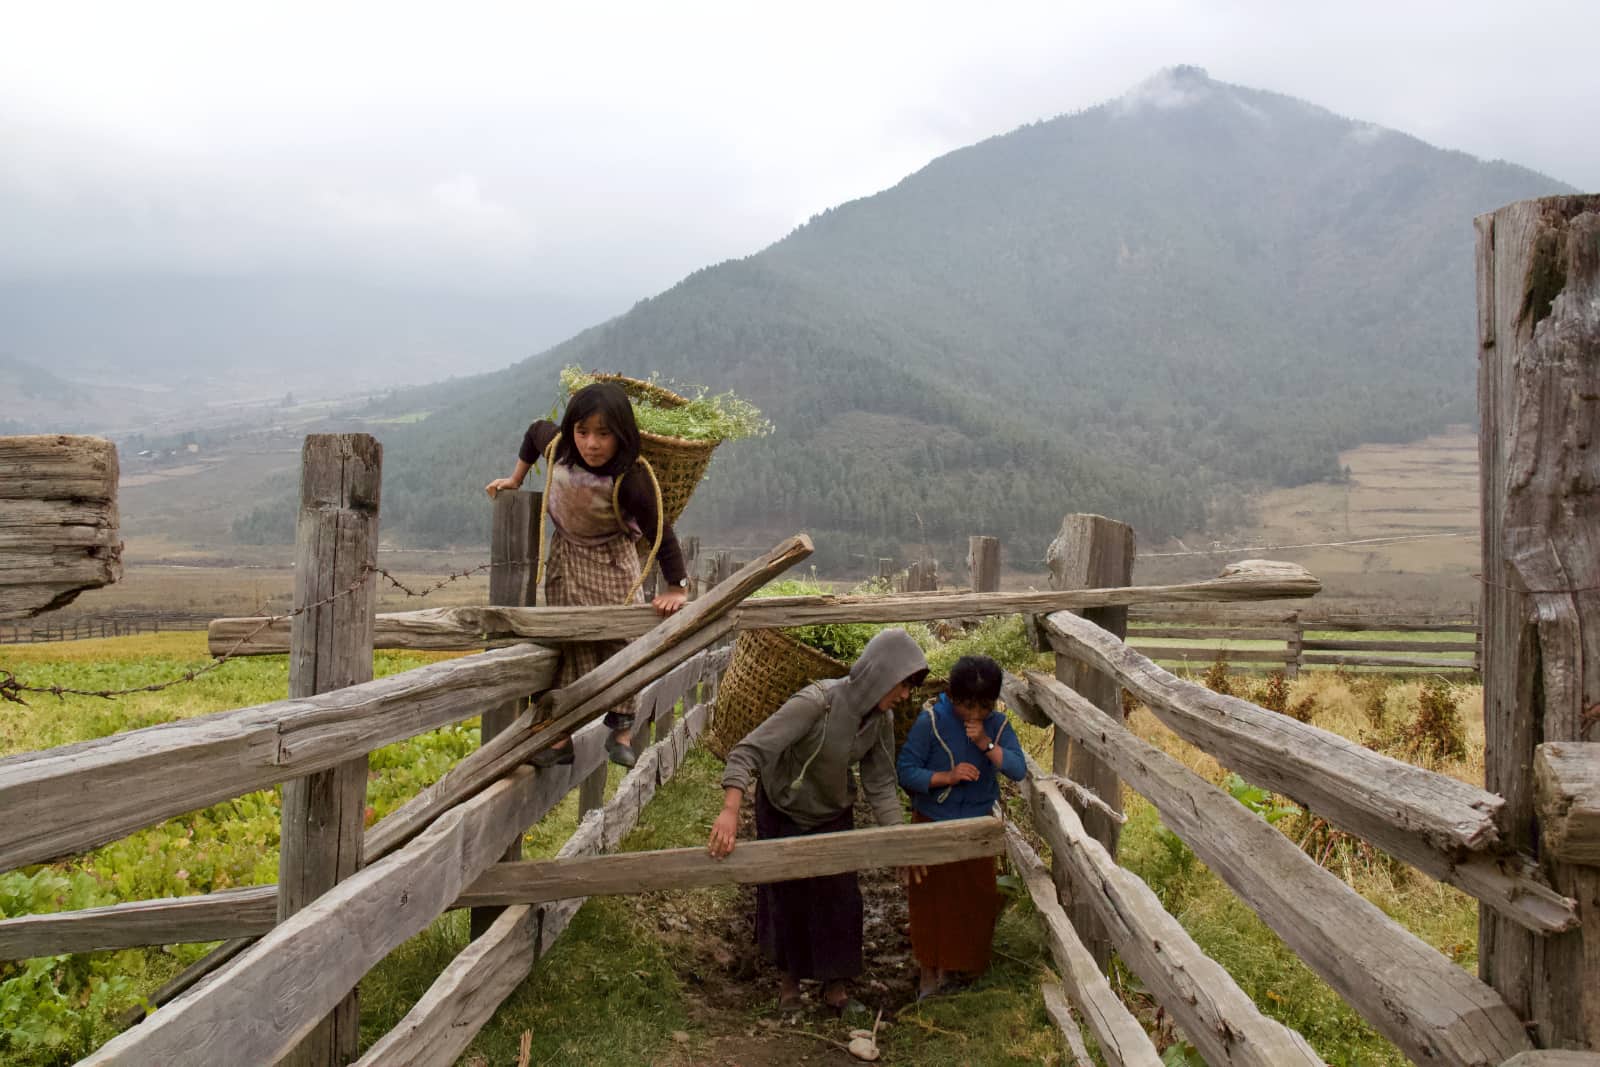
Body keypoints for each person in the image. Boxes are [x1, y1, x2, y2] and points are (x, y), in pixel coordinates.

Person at [707, 628, 928, 1013]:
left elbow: (879, 783)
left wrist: (898, 841)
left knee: (840, 897)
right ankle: (788, 983)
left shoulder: (880, 720)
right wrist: (729, 810)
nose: (905, 695)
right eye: (902, 684)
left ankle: (835, 987)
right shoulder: (816, 703)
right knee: (786, 894)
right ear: (880, 675)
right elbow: (748, 752)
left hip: (831, 811)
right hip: (783, 807)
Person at [485, 381, 688, 768]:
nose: (591, 444)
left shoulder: (631, 479)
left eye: (603, 434)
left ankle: (623, 727)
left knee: (622, 640)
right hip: (566, 558)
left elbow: (661, 531)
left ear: (621, 435)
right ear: (571, 430)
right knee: (571, 640)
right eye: (583, 432)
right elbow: (532, 432)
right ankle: (560, 737)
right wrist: (515, 479)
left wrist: (676, 586)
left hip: (613, 560)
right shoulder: (558, 448)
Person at [896, 654, 1024, 999]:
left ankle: (960, 970)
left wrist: (986, 744)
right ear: (951, 696)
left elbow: (1017, 768)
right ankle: (928, 971)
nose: (973, 714)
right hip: (933, 821)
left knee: (974, 899)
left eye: (983, 706)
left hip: (976, 829)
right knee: (930, 900)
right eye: (966, 705)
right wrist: (946, 777)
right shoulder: (932, 723)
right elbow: (906, 770)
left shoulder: (996, 727)